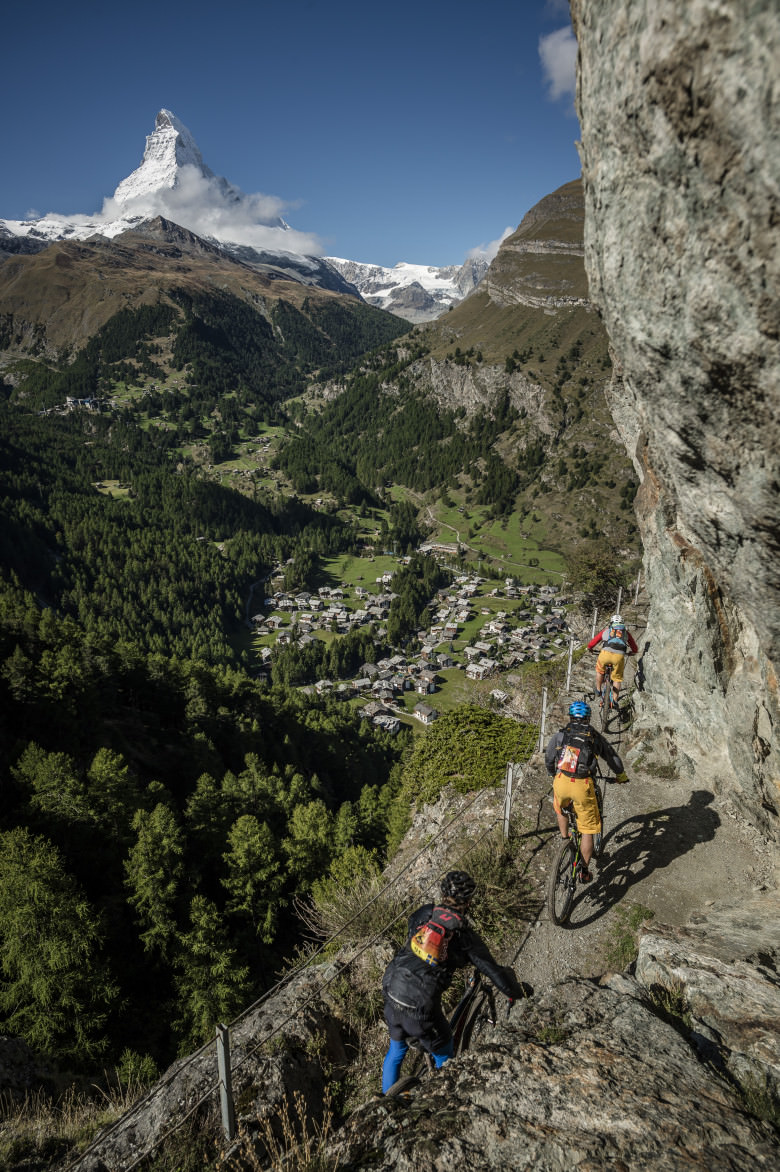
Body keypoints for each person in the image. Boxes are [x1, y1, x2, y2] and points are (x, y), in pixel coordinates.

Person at [381, 870, 517, 1093]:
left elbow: (411, 935)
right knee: (446, 1055)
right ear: (469, 901)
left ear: (443, 893)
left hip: (391, 988)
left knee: (396, 1052)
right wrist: (515, 994)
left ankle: (386, 1103)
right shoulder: (463, 935)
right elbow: (491, 969)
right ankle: (445, 1096)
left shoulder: (424, 913)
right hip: (420, 1007)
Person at [544, 700, 629, 883]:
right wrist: (620, 775)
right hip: (582, 786)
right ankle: (583, 870)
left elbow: (549, 758)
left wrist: (554, 775)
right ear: (588, 719)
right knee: (588, 829)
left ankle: (564, 839)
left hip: (561, 781)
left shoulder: (561, 736)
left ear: (571, 718)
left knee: (560, 808)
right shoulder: (594, 737)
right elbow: (612, 757)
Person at [588, 613, 638, 707]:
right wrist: (633, 652)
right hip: (619, 657)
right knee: (617, 678)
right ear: (622, 623)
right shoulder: (625, 633)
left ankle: (598, 690)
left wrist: (590, 648)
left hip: (605, 654)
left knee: (599, 671)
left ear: (611, 623)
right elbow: (634, 647)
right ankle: (615, 700)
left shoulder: (606, 630)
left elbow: (593, 642)